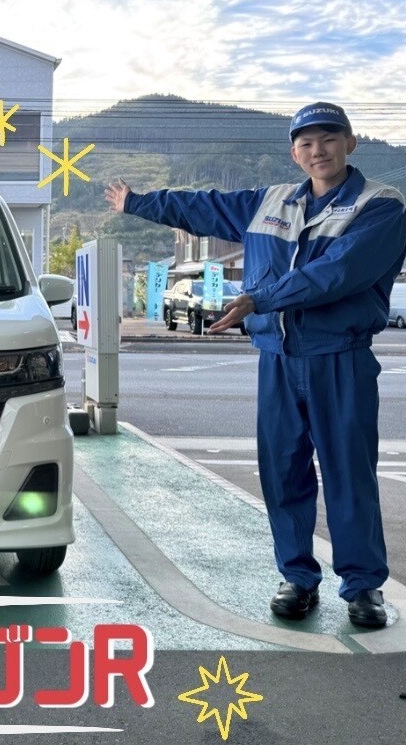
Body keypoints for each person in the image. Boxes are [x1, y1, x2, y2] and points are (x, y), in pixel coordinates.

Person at [105, 102, 406, 630]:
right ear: (294, 152)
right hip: (277, 360)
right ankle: (297, 577)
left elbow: (339, 272)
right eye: (306, 142)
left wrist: (260, 299)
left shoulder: (380, 206)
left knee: (349, 474)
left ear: (351, 142)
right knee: (282, 472)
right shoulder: (269, 202)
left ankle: (362, 587)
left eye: (329, 139)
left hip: (339, 357)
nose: (318, 150)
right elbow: (201, 207)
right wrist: (137, 202)